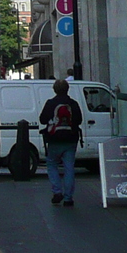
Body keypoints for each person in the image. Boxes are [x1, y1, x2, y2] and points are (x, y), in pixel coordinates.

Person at [38, 78, 83, 206]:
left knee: (52, 164)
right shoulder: (73, 103)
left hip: (54, 139)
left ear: (54, 90)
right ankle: (68, 198)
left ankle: (57, 191)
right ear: (68, 89)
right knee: (69, 168)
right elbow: (79, 120)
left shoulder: (50, 103)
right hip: (70, 139)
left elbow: (42, 119)